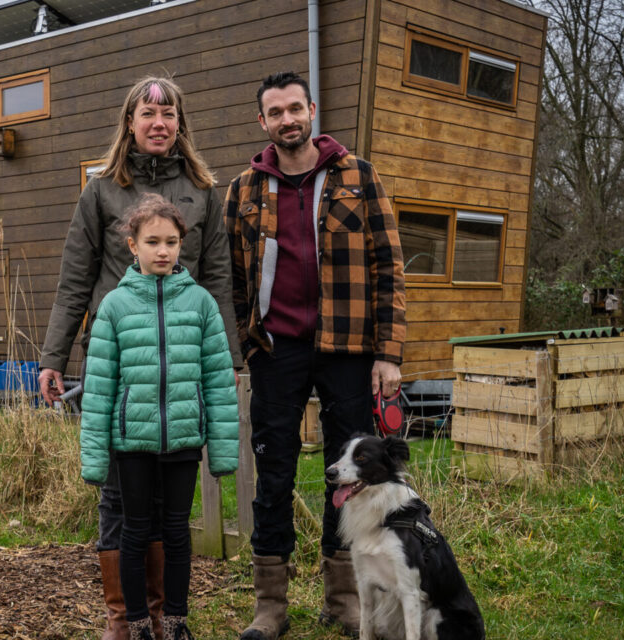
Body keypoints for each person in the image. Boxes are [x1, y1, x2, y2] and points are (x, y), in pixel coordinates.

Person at [37, 76, 241, 638]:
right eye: (147, 112)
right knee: (119, 502)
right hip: (117, 364)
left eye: (168, 112)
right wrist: (52, 357)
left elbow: (219, 278)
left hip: (181, 369)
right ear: (129, 121)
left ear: (180, 123)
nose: (158, 122)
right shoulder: (100, 191)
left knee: (169, 505)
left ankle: (160, 612)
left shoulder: (202, 192)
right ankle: (120, 616)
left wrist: (228, 357)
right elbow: (74, 278)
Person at [224, 71, 407, 640]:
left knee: (348, 474)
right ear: (262, 122)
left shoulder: (359, 175)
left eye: (295, 108)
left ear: (312, 111)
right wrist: (249, 341)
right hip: (276, 351)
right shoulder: (245, 190)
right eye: (275, 112)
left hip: (348, 349)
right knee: (273, 475)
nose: (287, 120)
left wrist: (388, 353)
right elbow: (232, 275)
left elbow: (389, 268)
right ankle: (270, 606)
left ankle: (343, 597)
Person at [80, 193, 239, 640]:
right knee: (134, 531)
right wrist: (93, 458)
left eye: (172, 241)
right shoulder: (113, 306)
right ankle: (136, 625)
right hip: (132, 443)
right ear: (133, 245)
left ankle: (174, 621)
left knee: (176, 532)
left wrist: (223, 452)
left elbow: (218, 383)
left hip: (184, 440)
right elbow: (98, 389)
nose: (164, 250)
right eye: (153, 241)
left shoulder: (201, 304)